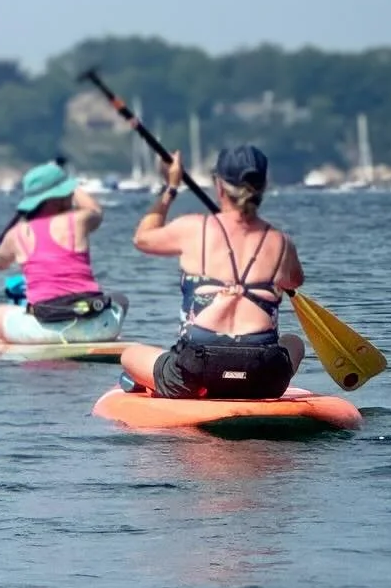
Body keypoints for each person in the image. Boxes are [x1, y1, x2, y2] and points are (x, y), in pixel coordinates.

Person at [119, 143, 305, 399]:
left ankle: (149, 383)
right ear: (262, 187)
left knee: (129, 354)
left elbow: (142, 238)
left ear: (219, 186)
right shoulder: (282, 242)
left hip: (193, 375)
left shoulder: (193, 229)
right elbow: (294, 281)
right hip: (263, 378)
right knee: (294, 342)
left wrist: (170, 188)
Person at [0, 159, 127, 349]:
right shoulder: (78, 220)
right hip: (101, 325)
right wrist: (72, 185)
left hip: (44, 331)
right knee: (120, 299)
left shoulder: (17, 234)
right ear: (62, 195)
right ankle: (92, 332)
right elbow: (95, 210)